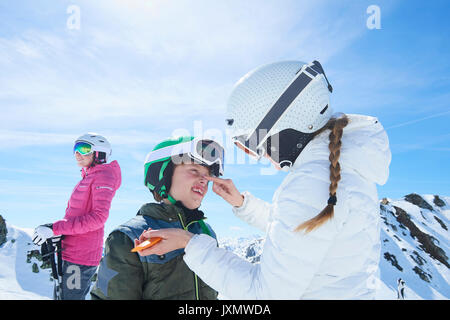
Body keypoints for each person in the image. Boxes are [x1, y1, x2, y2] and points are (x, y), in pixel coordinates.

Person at [137, 60, 392, 299]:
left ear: (283, 123)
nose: (259, 155)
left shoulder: (311, 182)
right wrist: (242, 204)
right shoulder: (341, 170)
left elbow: (265, 295)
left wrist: (189, 243)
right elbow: (302, 234)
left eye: (251, 143)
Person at [90, 136, 224, 300]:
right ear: (163, 175)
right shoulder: (128, 237)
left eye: (208, 175)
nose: (204, 180)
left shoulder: (206, 233)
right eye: (194, 170)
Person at [32, 133, 122, 300]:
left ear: (99, 153)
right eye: (75, 149)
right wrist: (56, 233)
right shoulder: (89, 176)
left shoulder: (104, 176)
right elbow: (78, 216)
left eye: (83, 148)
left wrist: (56, 228)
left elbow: (98, 218)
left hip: (80, 258)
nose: (77, 154)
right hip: (70, 252)